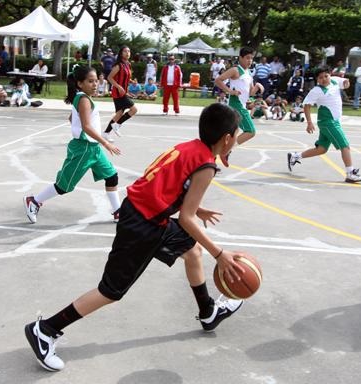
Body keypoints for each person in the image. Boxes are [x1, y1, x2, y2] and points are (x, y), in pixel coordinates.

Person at [24, 103, 246, 372]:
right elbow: (186, 219)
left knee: (192, 250)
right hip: (144, 224)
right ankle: (45, 329)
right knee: (110, 291)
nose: (237, 139)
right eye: (236, 134)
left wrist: (198, 207)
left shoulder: (190, 147)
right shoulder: (206, 165)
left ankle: (208, 311)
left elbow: (169, 184)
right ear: (226, 138)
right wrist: (221, 255)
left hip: (146, 213)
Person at [23, 66, 122, 225]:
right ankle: (34, 201)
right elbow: (86, 127)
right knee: (64, 186)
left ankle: (118, 211)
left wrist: (92, 137)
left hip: (93, 148)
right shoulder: (83, 99)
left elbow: (72, 118)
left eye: (96, 81)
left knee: (111, 176)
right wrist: (106, 143)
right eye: (90, 81)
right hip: (83, 149)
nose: (95, 84)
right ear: (80, 83)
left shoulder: (82, 98)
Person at [287, 66, 361, 183]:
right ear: (317, 80)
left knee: (321, 149)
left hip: (334, 121)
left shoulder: (334, 80)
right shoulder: (316, 90)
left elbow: (345, 84)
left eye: (326, 76)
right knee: (345, 146)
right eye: (320, 77)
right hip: (328, 122)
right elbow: (307, 105)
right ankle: (350, 173)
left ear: (330, 75)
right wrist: (309, 123)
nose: (324, 79)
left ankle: (295, 156)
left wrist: (346, 82)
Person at [214, 47, 264, 167]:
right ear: (240, 58)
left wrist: (257, 86)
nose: (250, 61)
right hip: (236, 105)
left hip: (241, 105)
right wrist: (230, 91)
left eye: (251, 58)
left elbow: (250, 92)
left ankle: (214, 157)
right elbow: (218, 80)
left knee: (230, 133)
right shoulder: (235, 70)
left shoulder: (249, 73)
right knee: (250, 131)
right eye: (247, 58)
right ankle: (225, 151)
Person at [103, 46, 138, 142]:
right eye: (125, 51)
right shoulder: (118, 65)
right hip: (118, 93)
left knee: (119, 114)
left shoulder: (128, 64)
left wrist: (131, 81)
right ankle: (117, 125)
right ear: (121, 53)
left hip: (123, 92)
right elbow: (110, 78)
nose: (127, 53)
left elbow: (125, 77)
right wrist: (118, 87)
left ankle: (105, 133)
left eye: (129, 51)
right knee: (134, 109)